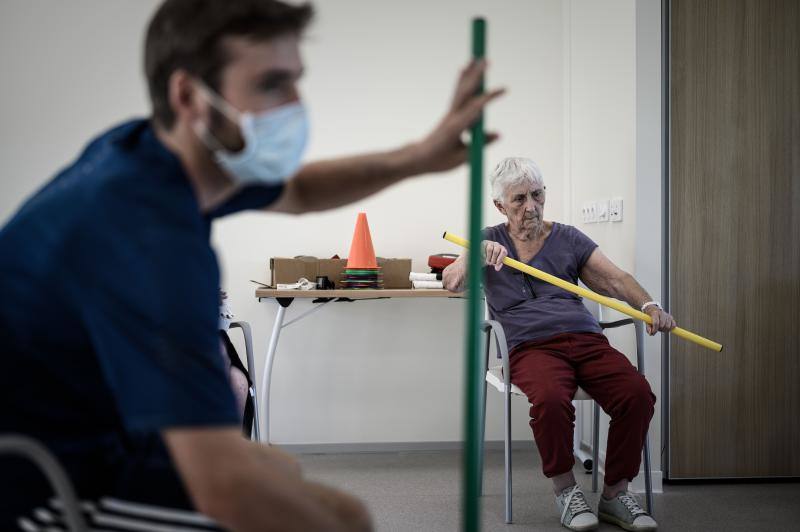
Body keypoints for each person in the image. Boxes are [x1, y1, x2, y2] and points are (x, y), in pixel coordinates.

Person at [0, 1, 504, 530]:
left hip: (95, 428)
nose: (295, 104)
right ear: (189, 95)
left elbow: (301, 188)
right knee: (340, 517)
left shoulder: (147, 154)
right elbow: (223, 487)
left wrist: (419, 156)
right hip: (42, 479)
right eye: (271, 84)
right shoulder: (149, 237)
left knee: (283, 470)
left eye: (295, 82)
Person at [443, 157, 674, 532]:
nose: (530, 206)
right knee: (550, 399)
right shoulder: (488, 238)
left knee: (636, 394)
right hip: (529, 346)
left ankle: (615, 494)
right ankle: (566, 491)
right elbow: (452, 281)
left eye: (537, 195)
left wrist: (649, 305)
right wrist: (474, 255)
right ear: (500, 206)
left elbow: (615, 280)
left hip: (584, 337)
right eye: (518, 199)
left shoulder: (568, 238)